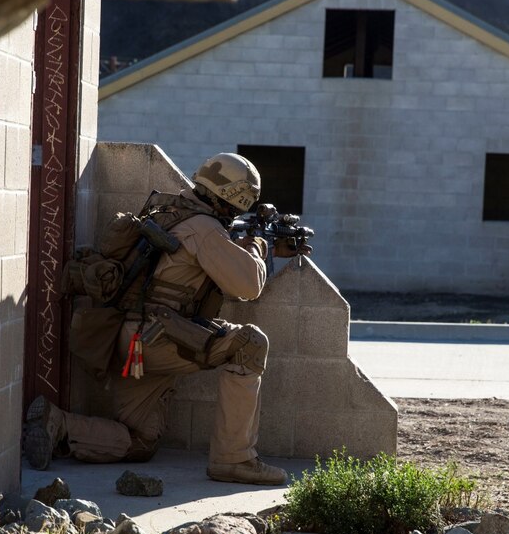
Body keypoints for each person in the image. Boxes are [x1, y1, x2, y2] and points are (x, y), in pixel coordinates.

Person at [23, 152, 310, 485]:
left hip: (125, 337)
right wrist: (261, 247)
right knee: (249, 344)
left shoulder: (167, 211)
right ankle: (234, 459)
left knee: (140, 439)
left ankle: (57, 422)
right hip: (155, 339)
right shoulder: (204, 228)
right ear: (232, 198)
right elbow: (249, 285)